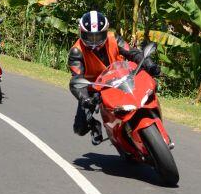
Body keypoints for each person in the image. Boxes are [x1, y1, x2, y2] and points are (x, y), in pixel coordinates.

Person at [68, 10, 161, 139]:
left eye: (98, 36)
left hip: (122, 78)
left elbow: (133, 53)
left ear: (105, 32)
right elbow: (77, 78)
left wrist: (149, 64)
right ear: (82, 33)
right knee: (80, 128)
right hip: (95, 89)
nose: (94, 41)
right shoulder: (76, 51)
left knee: (146, 94)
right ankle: (99, 126)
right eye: (90, 36)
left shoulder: (114, 38)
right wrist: (85, 98)